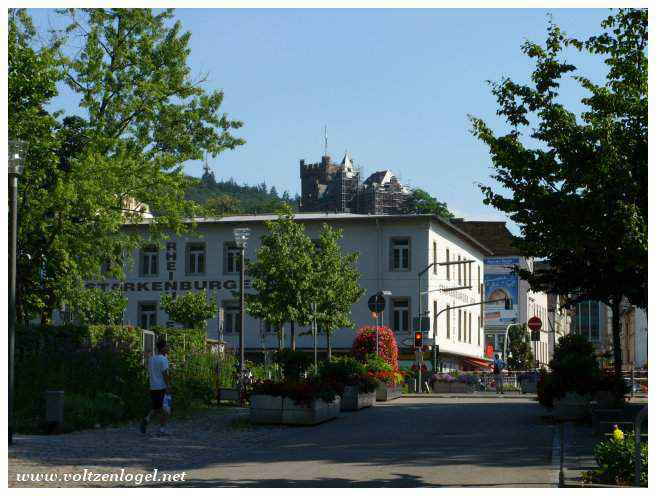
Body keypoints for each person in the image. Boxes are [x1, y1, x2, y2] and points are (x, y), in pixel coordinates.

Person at [140, 339, 171, 435]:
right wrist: (168, 386)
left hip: (153, 387)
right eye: (167, 346)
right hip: (162, 387)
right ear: (162, 348)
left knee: (156, 407)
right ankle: (161, 429)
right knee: (166, 410)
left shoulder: (151, 359)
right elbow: (165, 374)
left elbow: (149, 371)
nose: (168, 348)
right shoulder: (163, 359)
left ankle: (146, 419)